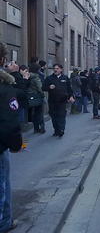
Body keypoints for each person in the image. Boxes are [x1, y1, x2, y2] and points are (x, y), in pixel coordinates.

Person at [0, 43, 23, 233]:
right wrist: (16, 144)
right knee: (2, 185)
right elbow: (10, 121)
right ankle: (4, 222)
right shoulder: (5, 86)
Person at [42, 64, 75, 137]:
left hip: (62, 101)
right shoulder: (49, 78)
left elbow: (69, 89)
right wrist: (49, 87)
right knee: (54, 116)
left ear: (61, 69)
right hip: (52, 101)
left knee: (61, 115)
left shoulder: (65, 78)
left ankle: (61, 129)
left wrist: (71, 96)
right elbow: (43, 87)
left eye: (57, 68)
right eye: (54, 68)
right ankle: (56, 130)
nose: (55, 70)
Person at [27, 65, 46, 133]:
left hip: (30, 96)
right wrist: (43, 95)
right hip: (37, 96)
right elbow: (40, 88)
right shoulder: (36, 77)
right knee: (39, 112)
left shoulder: (27, 76)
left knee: (34, 113)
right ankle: (42, 127)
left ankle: (36, 128)